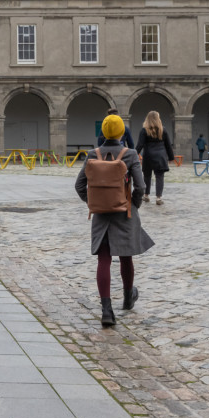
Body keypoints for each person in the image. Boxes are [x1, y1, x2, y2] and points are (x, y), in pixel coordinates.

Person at [75, 114, 153, 328]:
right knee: (126, 258)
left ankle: (106, 311)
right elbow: (141, 186)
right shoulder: (130, 154)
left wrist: (94, 203)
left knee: (104, 260)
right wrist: (132, 204)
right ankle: (128, 298)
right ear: (121, 133)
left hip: (101, 216)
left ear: (103, 133)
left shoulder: (93, 154)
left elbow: (79, 186)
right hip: (124, 213)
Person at [134, 111, 173, 206]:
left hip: (148, 155)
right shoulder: (163, 130)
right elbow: (168, 145)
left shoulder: (144, 130)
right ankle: (158, 197)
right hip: (161, 155)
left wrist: (134, 155)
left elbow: (140, 145)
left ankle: (146, 195)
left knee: (147, 176)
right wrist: (171, 157)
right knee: (160, 177)